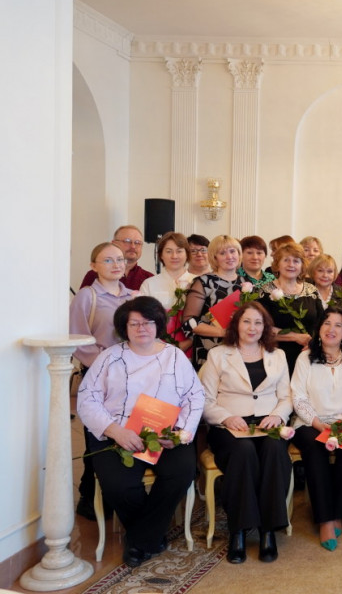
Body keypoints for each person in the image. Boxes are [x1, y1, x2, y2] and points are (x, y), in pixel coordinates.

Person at [77, 297, 204, 568]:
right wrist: (115, 431)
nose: (141, 328)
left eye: (148, 322)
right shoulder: (110, 357)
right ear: (124, 327)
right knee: (119, 484)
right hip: (117, 433)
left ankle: (139, 539)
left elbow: (195, 396)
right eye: (134, 323)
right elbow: (87, 399)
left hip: (165, 435)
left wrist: (180, 432)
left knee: (181, 473)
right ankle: (149, 538)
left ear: (158, 325)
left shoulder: (174, 356)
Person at [199, 302, 293, 564]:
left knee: (274, 450)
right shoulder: (218, 355)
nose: (252, 327)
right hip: (229, 425)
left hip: (267, 423)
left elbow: (286, 397)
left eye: (258, 322)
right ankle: (238, 530)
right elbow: (205, 400)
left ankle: (267, 530)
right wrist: (227, 417)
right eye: (247, 321)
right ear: (236, 325)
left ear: (265, 327)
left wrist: (278, 415)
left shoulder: (278, 355)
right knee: (243, 451)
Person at [291, 307, 342, 551]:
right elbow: (298, 397)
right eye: (327, 323)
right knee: (315, 450)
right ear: (319, 328)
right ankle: (326, 520)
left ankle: (337, 512)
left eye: (338, 325)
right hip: (311, 422)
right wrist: (317, 423)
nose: (331, 329)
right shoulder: (305, 359)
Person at [70, 242, 136, 519]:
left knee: (126, 429)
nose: (116, 264)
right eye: (108, 260)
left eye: (119, 259)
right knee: (97, 434)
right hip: (99, 376)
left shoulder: (133, 296)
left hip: (131, 376)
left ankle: (116, 491)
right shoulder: (87, 296)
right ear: (93, 265)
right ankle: (89, 496)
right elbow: (77, 338)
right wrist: (106, 366)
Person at [181, 235, 248, 368]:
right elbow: (189, 321)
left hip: (241, 349)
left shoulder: (247, 284)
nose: (229, 256)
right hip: (208, 350)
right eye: (222, 253)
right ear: (214, 257)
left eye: (232, 251)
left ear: (239, 254)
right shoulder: (203, 282)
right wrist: (224, 333)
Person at [258, 242, 320, 374]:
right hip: (277, 356)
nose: (291, 265)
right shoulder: (265, 292)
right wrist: (296, 337)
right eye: (286, 260)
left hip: (310, 356)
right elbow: (261, 328)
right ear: (277, 264)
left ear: (302, 265)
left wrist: (314, 343)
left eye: (296, 261)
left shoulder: (311, 290)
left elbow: (322, 322)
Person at [139, 231, 196, 351]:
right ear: (161, 255)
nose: (174, 256)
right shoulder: (149, 284)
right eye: (169, 251)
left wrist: (189, 342)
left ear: (187, 254)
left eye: (179, 251)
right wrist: (162, 346)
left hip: (193, 347)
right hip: (156, 348)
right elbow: (142, 319)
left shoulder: (198, 282)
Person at [79, 225, 154, 290]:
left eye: (138, 243)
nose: (133, 246)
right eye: (127, 241)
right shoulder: (96, 274)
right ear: (114, 243)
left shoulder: (149, 279)